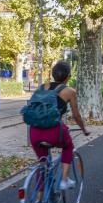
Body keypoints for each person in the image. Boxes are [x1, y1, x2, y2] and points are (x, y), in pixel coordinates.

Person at [29, 61, 90, 190]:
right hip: (54, 131)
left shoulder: (42, 87)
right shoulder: (70, 91)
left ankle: (39, 201)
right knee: (68, 146)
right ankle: (64, 180)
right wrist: (84, 129)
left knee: (43, 163)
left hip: (34, 132)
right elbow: (76, 116)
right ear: (68, 76)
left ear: (53, 74)